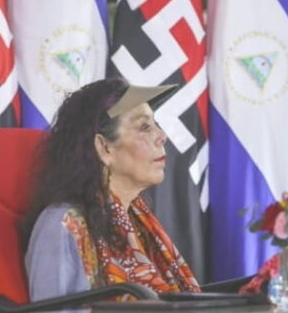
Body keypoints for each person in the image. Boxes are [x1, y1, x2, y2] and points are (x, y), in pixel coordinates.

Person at [25, 79, 200, 300]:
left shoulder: (138, 220)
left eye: (156, 124)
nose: (161, 136)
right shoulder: (62, 224)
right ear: (104, 148)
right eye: (144, 127)